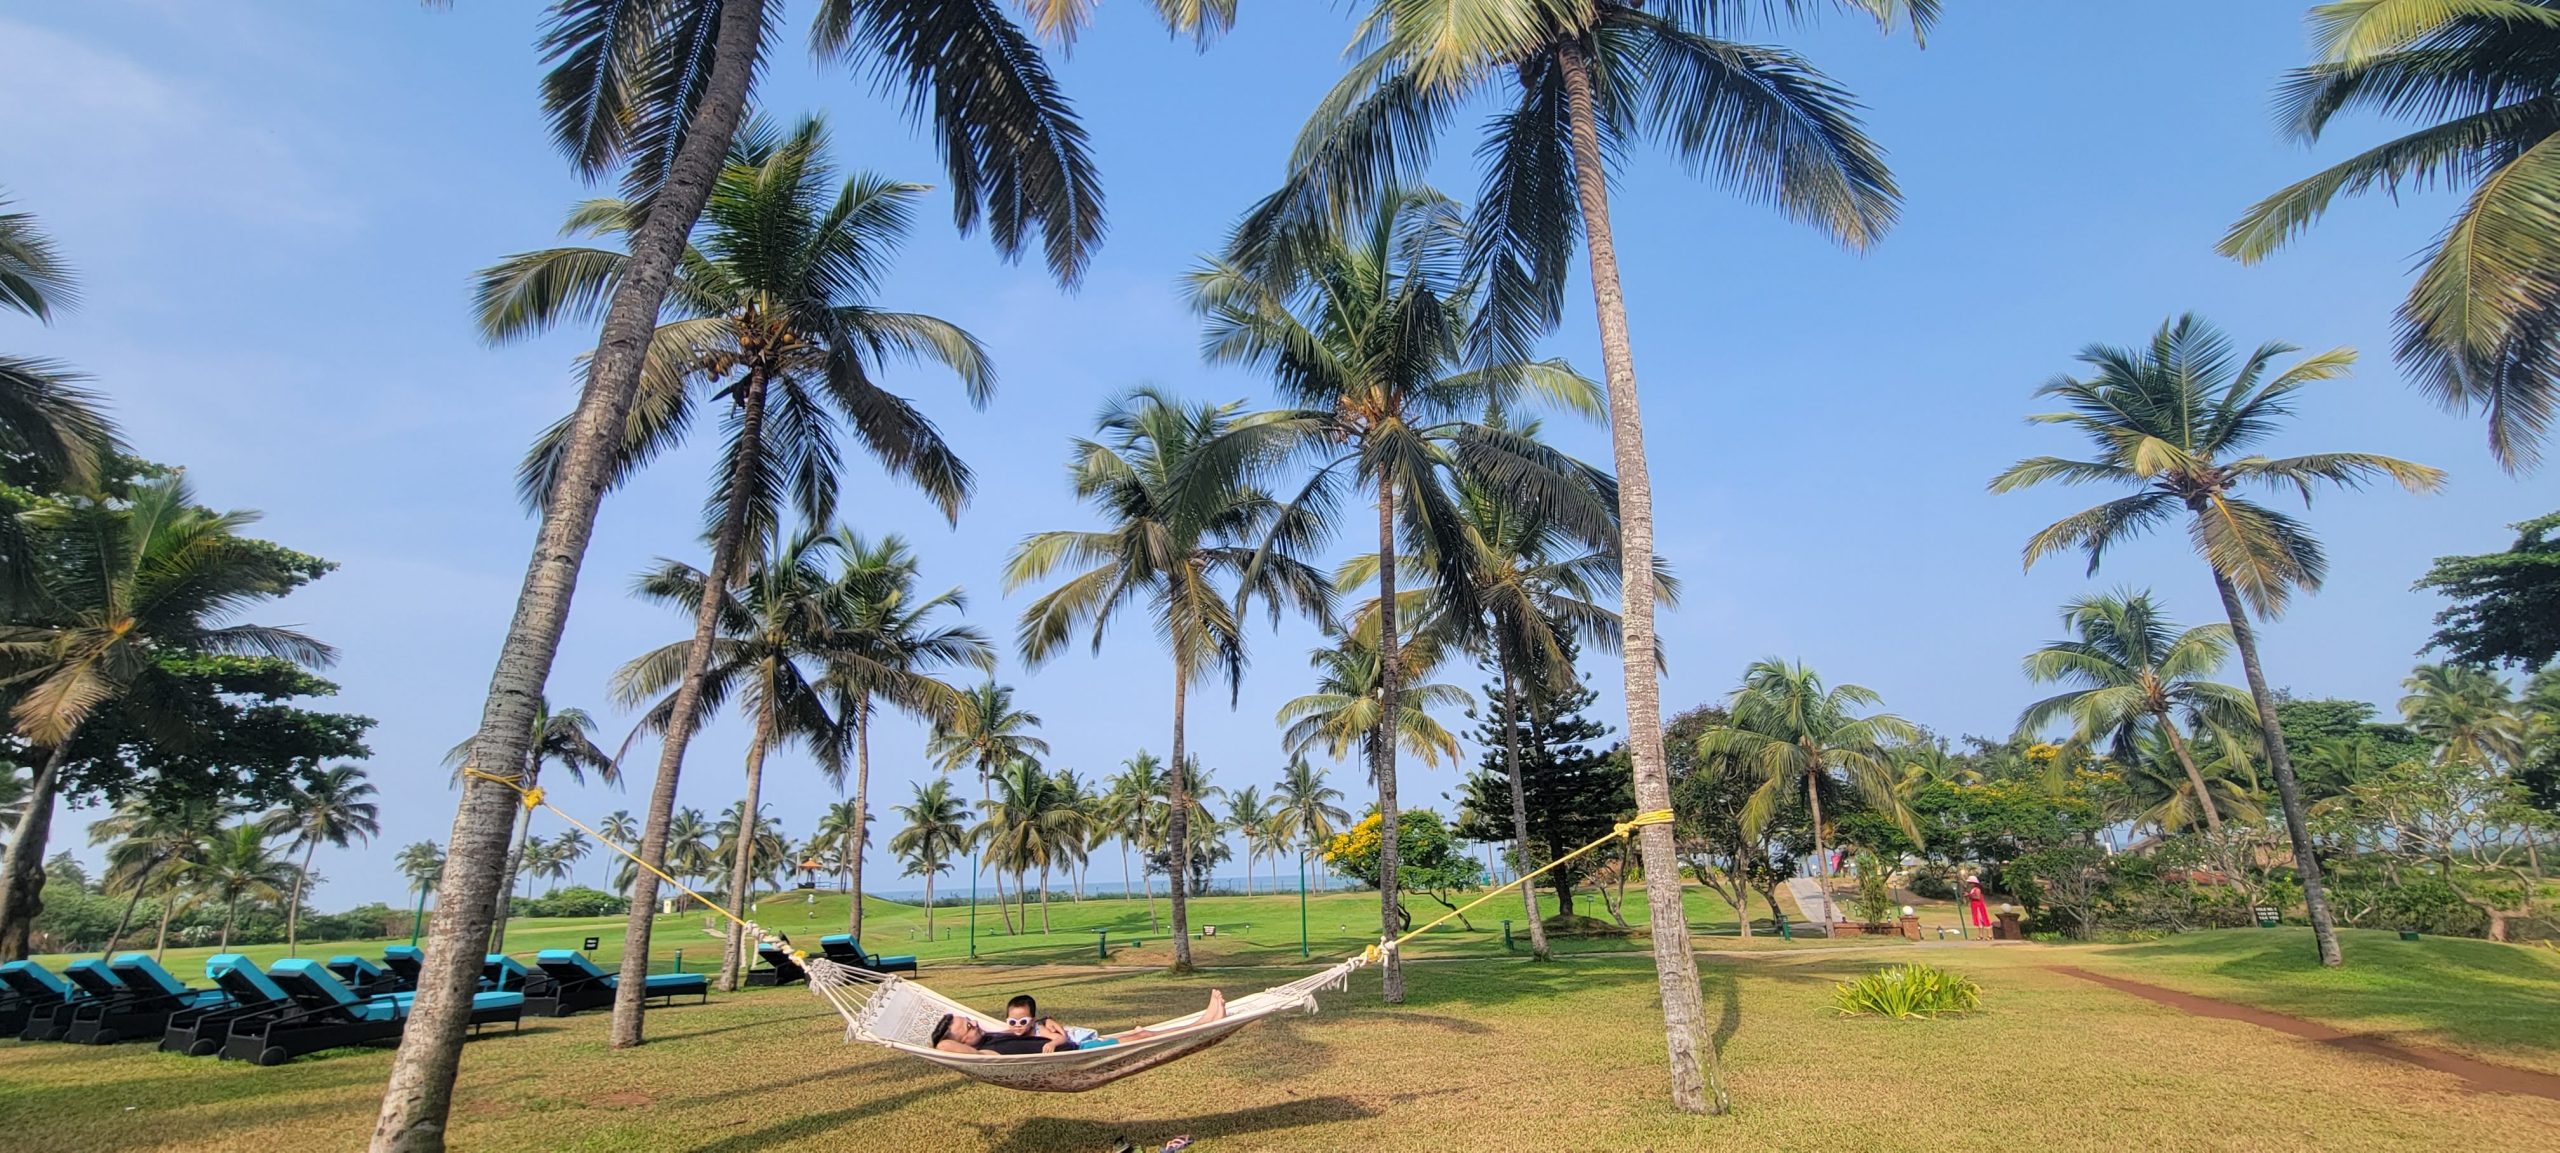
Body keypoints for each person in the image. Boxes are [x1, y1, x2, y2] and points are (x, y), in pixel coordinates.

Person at [929, 990, 1229, 1056]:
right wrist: (945, 1038)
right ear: (960, 1042)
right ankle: (1206, 1021)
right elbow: (943, 1044)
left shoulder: (996, 1034)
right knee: (1143, 1036)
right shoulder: (986, 1054)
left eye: (970, 1020)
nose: (974, 1024)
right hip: (1078, 1053)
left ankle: (1205, 1020)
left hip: (1079, 1046)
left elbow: (1035, 1024)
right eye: (967, 1027)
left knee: (1143, 1034)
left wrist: (1050, 1030)